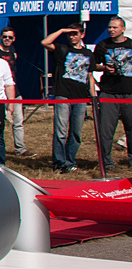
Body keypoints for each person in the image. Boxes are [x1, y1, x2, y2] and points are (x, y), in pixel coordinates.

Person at [42, 22, 94, 173]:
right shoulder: (62, 49)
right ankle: (59, 162)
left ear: (82, 35)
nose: (72, 36)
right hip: (63, 94)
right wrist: (62, 29)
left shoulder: (88, 54)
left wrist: (93, 96)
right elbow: (45, 42)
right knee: (61, 131)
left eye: (75, 34)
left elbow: (89, 76)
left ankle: (70, 161)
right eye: (69, 34)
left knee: (76, 132)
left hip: (80, 97)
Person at [92, 16, 132, 170]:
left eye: (115, 27)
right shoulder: (103, 45)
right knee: (106, 130)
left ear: (123, 28)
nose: (111, 30)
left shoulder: (131, 45)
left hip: (129, 92)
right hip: (109, 92)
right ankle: (106, 163)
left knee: (130, 128)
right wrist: (104, 68)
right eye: (110, 27)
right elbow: (93, 65)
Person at [0, 28, 29, 156]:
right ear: (1, 37)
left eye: (10, 37)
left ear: (14, 39)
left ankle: (20, 149)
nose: (7, 39)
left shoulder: (13, 51)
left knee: (18, 121)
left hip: (14, 92)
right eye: (5, 37)